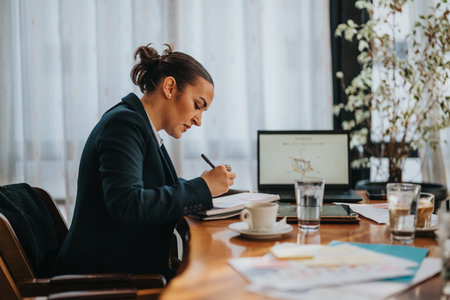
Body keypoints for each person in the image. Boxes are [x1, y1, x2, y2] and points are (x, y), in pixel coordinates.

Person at [53, 44, 236, 280]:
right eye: (198, 105)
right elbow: (127, 205)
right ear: (170, 87)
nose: (199, 120)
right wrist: (203, 188)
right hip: (106, 280)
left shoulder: (138, 125)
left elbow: (150, 188)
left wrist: (206, 186)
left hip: (129, 271)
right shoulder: (124, 125)